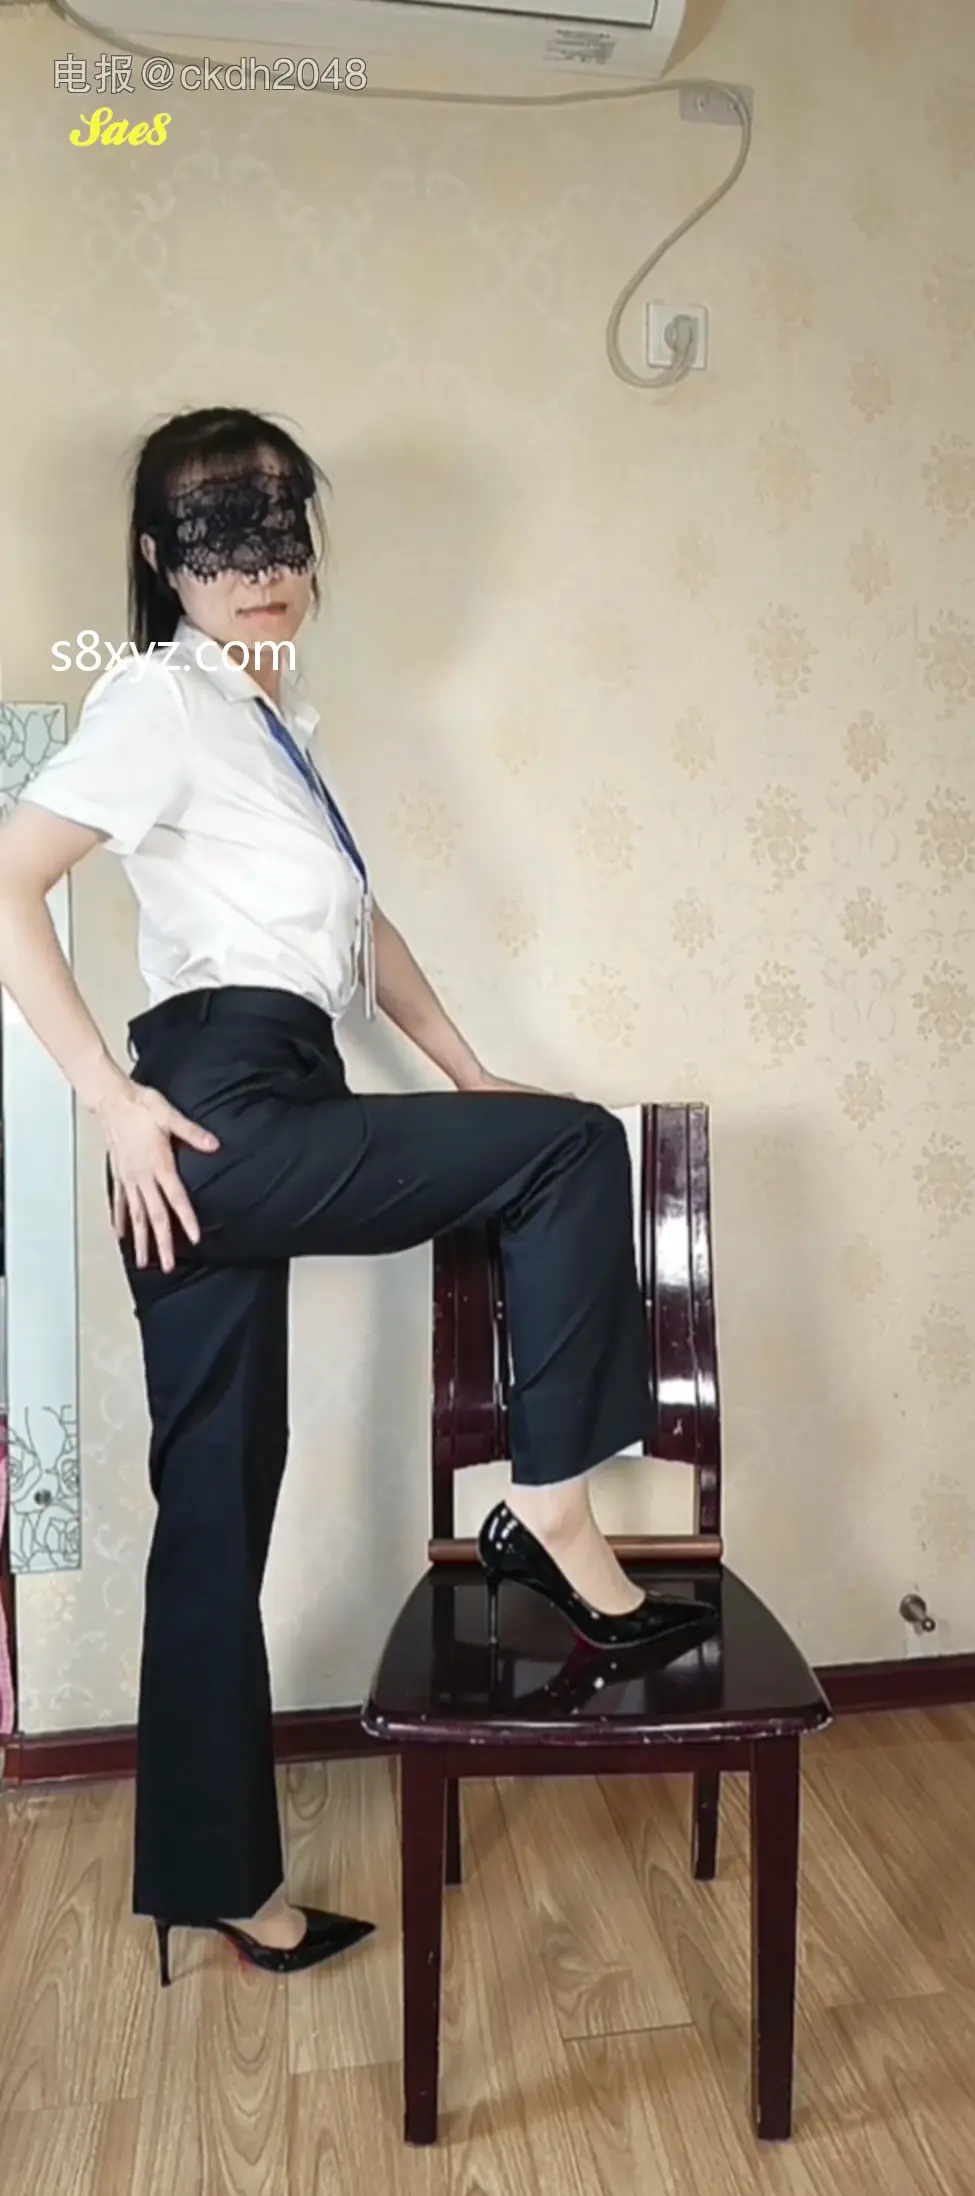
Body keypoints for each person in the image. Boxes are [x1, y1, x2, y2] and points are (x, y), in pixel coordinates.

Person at [0, 406, 713, 1985]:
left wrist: (468, 1072)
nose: (258, 564)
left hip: (250, 1102)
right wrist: (110, 1100)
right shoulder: (161, 699)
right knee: (576, 1152)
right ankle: (552, 1511)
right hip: (212, 1110)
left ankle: (220, 1886)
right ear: (160, 562)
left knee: (214, 1514)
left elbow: (361, 938)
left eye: (280, 528)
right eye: (218, 535)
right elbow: (8, 879)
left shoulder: (273, 729)